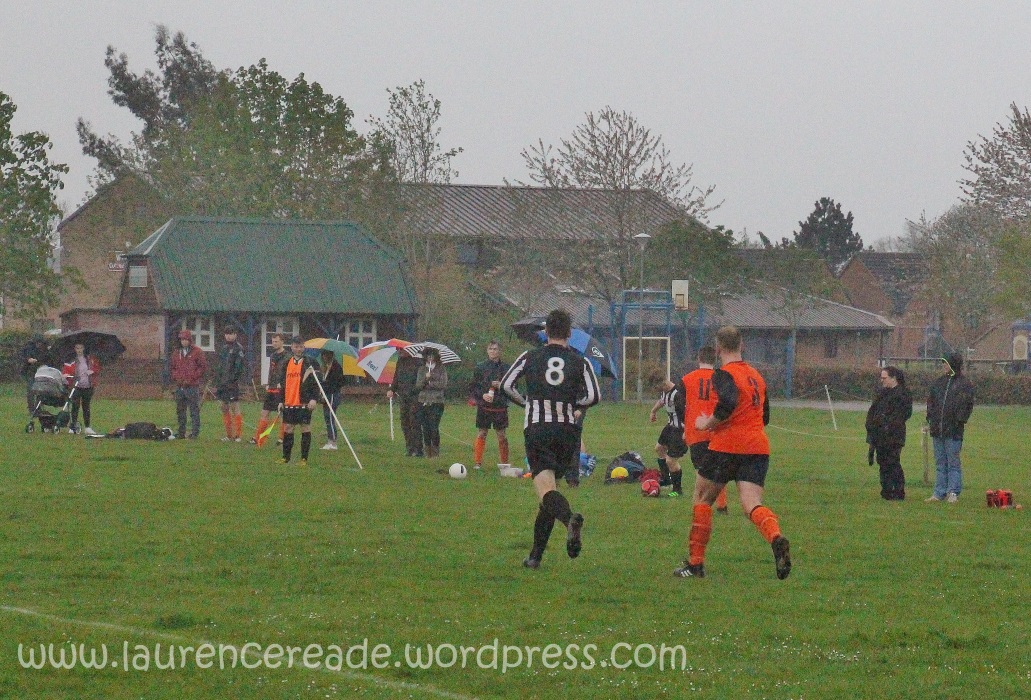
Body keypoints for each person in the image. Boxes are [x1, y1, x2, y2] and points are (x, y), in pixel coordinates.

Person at [674, 326, 791, 580]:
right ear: (742, 345)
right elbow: (765, 416)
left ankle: (695, 564)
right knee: (751, 504)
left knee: (702, 498)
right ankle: (775, 537)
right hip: (757, 447)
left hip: (726, 446)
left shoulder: (724, 374)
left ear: (717, 348)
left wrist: (707, 423)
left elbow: (727, 403)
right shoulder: (756, 377)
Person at [501, 309, 601, 569]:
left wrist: (526, 403)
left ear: (546, 332)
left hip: (538, 428)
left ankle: (570, 520)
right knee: (549, 492)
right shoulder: (580, 361)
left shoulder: (530, 356)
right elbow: (594, 396)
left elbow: (506, 385)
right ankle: (535, 557)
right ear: (569, 334)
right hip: (567, 431)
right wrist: (574, 405)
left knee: (546, 490)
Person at [679, 346, 727, 508]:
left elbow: (679, 405)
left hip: (696, 432)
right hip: (717, 430)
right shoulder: (722, 379)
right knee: (718, 469)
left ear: (699, 358)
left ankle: (699, 509)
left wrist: (685, 427)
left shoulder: (686, 379)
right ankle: (722, 505)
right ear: (715, 360)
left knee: (701, 473)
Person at [925, 353, 975, 503]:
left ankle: (953, 492)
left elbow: (967, 404)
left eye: (945, 362)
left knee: (953, 463)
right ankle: (939, 492)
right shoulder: (938, 383)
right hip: (937, 430)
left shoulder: (964, 384)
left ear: (953, 364)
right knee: (940, 463)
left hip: (953, 431)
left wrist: (959, 420)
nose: (943, 365)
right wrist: (930, 417)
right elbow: (931, 402)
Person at [865, 366, 913, 501]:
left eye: (884, 378)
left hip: (894, 436)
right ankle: (886, 490)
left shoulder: (903, 394)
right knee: (882, 462)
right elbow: (873, 411)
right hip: (880, 435)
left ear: (894, 378)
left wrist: (887, 424)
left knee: (892, 462)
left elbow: (903, 415)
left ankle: (898, 491)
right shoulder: (882, 394)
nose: (882, 380)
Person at [470, 339, 510, 470]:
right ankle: (477, 462)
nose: (493, 351)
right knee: (482, 433)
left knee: (501, 435)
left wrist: (501, 385)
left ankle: (504, 464)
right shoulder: (480, 367)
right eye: (490, 349)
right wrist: (482, 395)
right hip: (484, 406)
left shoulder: (506, 368)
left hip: (500, 406)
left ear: (500, 351)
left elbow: (512, 386)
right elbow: (473, 387)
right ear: (487, 351)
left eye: (495, 349)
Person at [279, 336, 319, 465]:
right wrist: (281, 400)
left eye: (301, 347)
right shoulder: (286, 362)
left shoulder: (310, 362)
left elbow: (316, 383)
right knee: (288, 428)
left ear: (304, 347)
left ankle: (303, 459)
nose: (298, 349)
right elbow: (282, 383)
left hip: (304, 402)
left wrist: (314, 399)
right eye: (296, 347)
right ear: (291, 347)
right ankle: (285, 457)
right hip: (289, 401)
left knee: (305, 428)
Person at [650, 377, 687, 496]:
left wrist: (687, 431)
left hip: (680, 429)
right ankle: (666, 480)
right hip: (670, 427)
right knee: (659, 448)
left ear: (664, 383)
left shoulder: (678, 394)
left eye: (657, 387)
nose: (657, 390)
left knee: (671, 461)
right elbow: (662, 401)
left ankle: (677, 490)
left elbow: (686, 415)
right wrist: (653, 411)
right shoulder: (665, 391)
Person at [170, 329, 207, 439]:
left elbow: (202, 367)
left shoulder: (197, 352)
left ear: (190, 340)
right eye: (182, 339)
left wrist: (191, 378)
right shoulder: (176, 352)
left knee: (194, 411)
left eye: (186, 339)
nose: (183, 341)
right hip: (180, 386)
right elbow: (173, 368)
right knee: (180, 411)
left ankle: (194, 433)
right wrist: (177, 378)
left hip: (192, 386)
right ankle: (181, 432)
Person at [252, 333, 289, 446]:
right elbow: (271, 370)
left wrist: (283, 384)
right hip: (271, 388)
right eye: (273, 342)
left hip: (281, 388)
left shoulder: (288, 356)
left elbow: (287, 373)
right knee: (264, 412)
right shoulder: (273, 355)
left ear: (282, 342)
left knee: (282, 414)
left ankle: (282, 438)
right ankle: (258, 437)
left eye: (276, 341)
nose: (274, 343)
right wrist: (268, 383)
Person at [415, 347, 448, 458]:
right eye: (428, 355)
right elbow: (418, 385)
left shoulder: (441, 369)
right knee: (425, 427)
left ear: (436, 356)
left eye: (432, 355)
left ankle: (435, 451)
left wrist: (430, 381)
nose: (430, 357)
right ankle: (427, 451)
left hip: (437, 401)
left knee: (434, 427)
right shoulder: (421, 369)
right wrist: (425, 379)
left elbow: (443, 384)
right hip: (423, 401)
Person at [214, 326, 246, 442]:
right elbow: (220, 366)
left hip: (232, 383)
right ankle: (228, 435)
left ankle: (238, 435)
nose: (228, 336)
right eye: (226, 334)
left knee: (234, 407)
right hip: (222, 383)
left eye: (231, 334)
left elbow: (239, 367)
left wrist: (232, 380)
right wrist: (218, 380)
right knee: (223, 407)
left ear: (235, 335)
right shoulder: (224, 348)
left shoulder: (239, 349)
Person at [61, 342, 101, 435]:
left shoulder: (90, 359)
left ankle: (87, 427)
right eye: (77, 348)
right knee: (75, 406)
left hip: (88, 386)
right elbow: (66, 371)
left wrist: (92, 371)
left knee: (86, 407)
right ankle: (73, 427)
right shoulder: (71, 360)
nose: (79, 350)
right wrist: (66, 375)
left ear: (84, 348)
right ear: (75, 349)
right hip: (76, 386)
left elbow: (97, 368)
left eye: (81, 348)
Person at [388, 355, 424, 456]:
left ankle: (418, 449)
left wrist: (413, 391)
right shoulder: (400, 362)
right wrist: (392, 389)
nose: (400, 352)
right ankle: (409, 448)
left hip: (415, 397)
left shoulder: (418, 362)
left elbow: (420, 382)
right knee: (405, 423)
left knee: (414, 422)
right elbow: (396, 378)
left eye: (401, 350)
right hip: (403, 397)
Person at [317, 349, 345, 450]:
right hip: (326, 394)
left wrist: (326, 384)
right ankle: (330, 439)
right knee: (327, 417)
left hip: (333, 394)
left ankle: (332, 442)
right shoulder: (326, 367)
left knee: (330, 417)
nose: (324, 357)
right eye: (323, 355)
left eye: (325, 355)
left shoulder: (336, 367)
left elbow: (339, 382)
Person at [20, 336, 51, 415]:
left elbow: (47, 359)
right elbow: (26, 357)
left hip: (41, 372)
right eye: (38, 343)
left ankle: (38, 408)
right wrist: (29, 359)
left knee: (40, 391)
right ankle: (31, 409)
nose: (39, 345)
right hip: (31, 372)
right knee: (31, 390)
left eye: (40, 344)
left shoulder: (45, 350)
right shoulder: (30, 348)